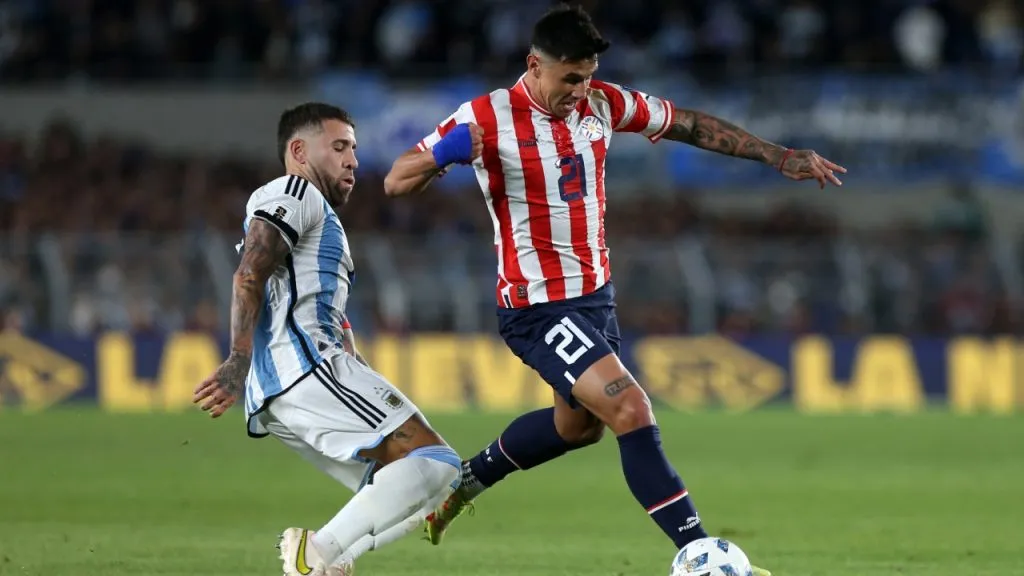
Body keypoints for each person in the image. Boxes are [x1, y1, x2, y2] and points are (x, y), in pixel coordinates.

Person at [383, 4, 846, 573]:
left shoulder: (603, 102)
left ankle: (466, 479)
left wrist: (778, 156)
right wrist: (441, 156)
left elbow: (689, 123)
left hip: (595, 299)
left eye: (587, 75)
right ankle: (698, 553)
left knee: (576, 429)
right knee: (630, 406)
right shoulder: (486, 117)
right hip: (536, 306)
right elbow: (395, 179)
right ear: (534, 65)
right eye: (569, 77)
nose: (581, 89)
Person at [192, 103, 462, 576]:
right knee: (436, 460)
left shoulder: (317, 217)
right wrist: (237, 357)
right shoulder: (294, 191)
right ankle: (315, 555)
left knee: (423, 486)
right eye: (338, 147)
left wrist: (355, 362)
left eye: (354, 149)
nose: (352, 160)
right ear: (298, 151)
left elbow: (311, 297)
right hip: (303, 367)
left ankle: (327, 566)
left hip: (292, 380)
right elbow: (248, 273)